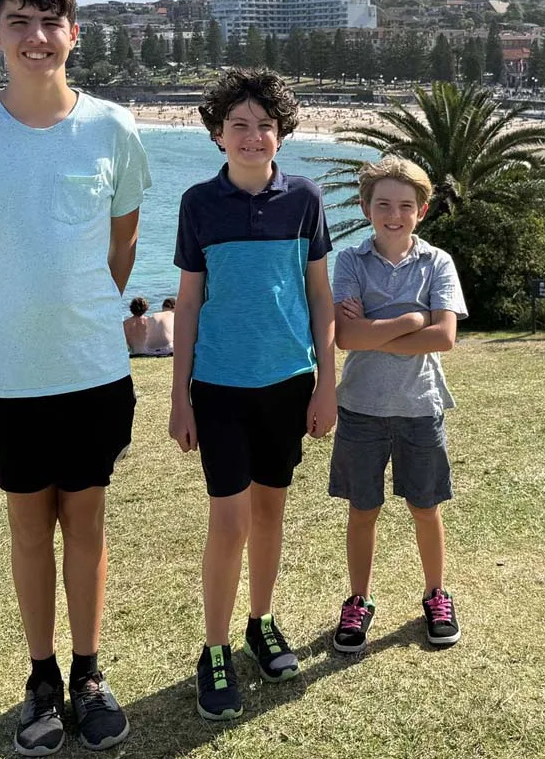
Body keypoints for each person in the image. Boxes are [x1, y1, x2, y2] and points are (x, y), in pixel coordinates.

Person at [0, 0, 151, 755]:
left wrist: (75, 306)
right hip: (6, 371)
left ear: (74, 33)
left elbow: (122, 245)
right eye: (19, 21)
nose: (36, 36)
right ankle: (42, 678)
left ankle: (88, 673)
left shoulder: (114, 127)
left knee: (86, 520)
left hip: (93, 368)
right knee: (28, 526)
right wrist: (12, 309)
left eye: (50, 21)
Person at [168, 67, 336, 722]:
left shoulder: (305, 199)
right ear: (218, 133)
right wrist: (179, 397)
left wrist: (327, 383)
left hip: (289, 383)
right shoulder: (198, 204)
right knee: (230, 519)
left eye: (264, 125)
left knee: (270, 512)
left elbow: (319, 294)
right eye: (238, 124)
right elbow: (188, 303)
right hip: (218, 386)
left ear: (281, 134)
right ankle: (214, 648)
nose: (252, 135)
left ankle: (260, 622)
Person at [329, 157, 468, 654]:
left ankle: (436, 595)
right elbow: (345, 337)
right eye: (383, 204)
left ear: (422, 210)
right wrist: (412, 319)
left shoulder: (438, 262)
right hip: (360, 408)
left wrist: (373, 328)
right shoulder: (350, 261)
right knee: (362, 509)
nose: (394, 215)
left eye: (405, 206)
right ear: (365, 207)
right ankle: (358, 600)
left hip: (420, 407)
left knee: (425, 508)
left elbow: (444, 337)